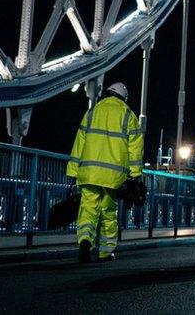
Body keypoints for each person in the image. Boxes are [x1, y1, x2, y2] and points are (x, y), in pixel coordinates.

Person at [66, 82, 143, 262]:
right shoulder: (128, 115)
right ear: (123, 97)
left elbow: (80, 142)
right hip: (113, 176)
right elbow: (135, 149)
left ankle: (85, 240)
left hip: (89, 172)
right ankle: (105, 252)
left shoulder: (92, 112)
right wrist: (135, 174)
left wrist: (72, 170)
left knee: (88, 209)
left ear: (108, 93)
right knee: (108, 213)